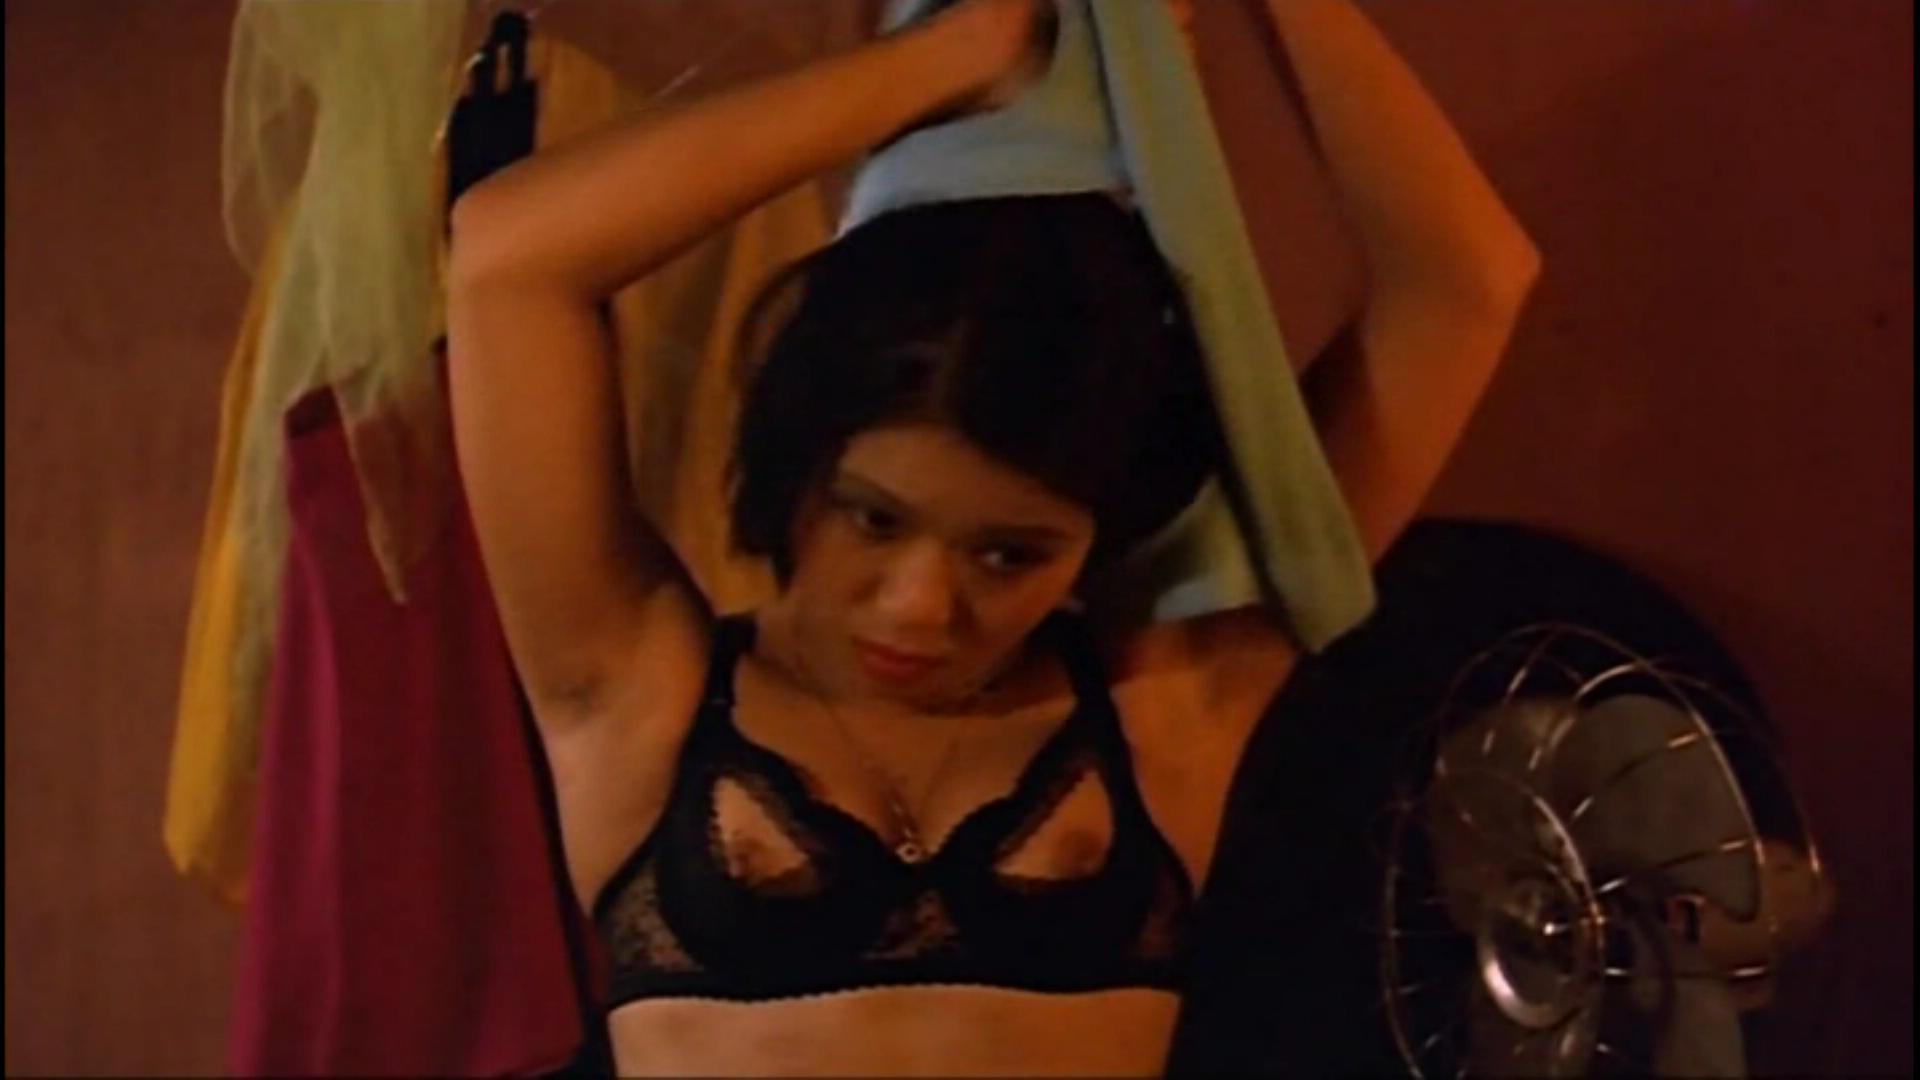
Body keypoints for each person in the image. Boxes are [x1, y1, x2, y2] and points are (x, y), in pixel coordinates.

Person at [446, 0, 1540, 1073]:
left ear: (1100, 535)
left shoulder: (1172, 704)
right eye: (874, 518)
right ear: (797, 461)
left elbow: (1468, 284)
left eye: (1010, 554)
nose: (920, 604)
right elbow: (508, 259)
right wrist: (957, 54)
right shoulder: (636, 691)